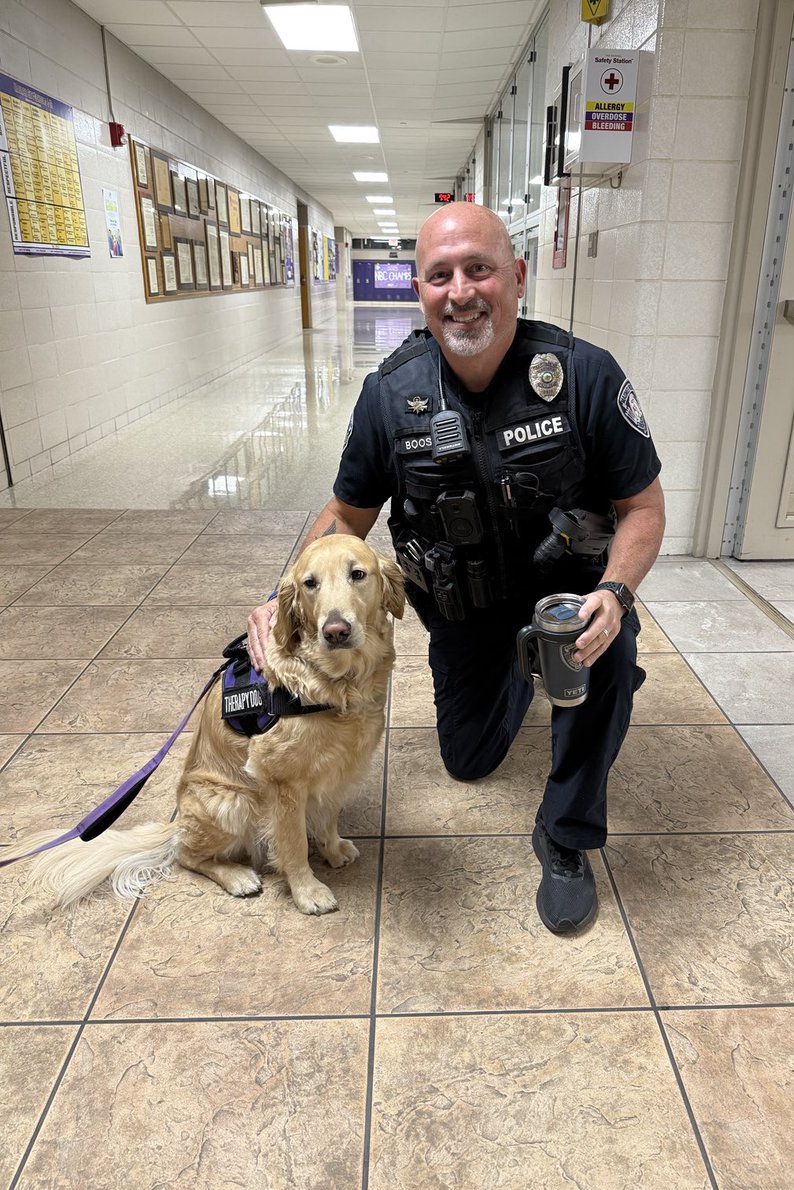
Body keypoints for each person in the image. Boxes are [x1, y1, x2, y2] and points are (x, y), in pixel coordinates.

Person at [248, 202, 665, 935]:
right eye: (440, 275)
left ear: (518, 276)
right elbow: (345, 518)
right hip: (465, 608)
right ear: (420, 290)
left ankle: (566, 837)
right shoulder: (390, 394)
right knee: (468, 760)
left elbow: (643, 508)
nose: (462, 291)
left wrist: (615, 592)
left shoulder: (584, 376)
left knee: (605, 653)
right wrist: (282, 596)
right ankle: (520, 669)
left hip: (566, 603)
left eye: (480, 269)